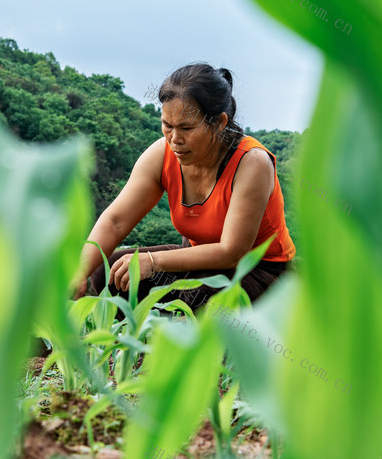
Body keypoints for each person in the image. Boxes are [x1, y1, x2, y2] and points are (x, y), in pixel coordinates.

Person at [71, 63, 295, 310]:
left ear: (220, 123)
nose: (175, 139)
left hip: (259, 269)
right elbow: (116, 221)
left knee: (205, 295)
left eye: (187, 128)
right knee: (109, 273)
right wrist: (79, 271)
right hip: (198, 263)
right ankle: (133, 340)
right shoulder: (161, 154)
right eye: (167, 125)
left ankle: (184, 341)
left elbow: (232, 252)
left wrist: (153, 261)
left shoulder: (252, 162)